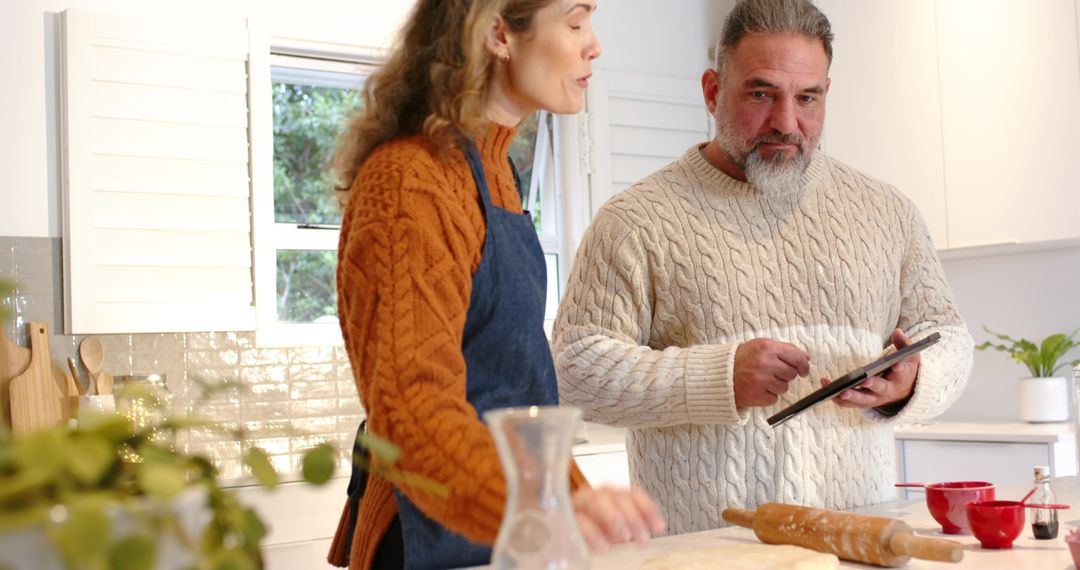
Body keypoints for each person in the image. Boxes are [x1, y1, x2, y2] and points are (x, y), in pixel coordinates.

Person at [551, 0, 974, 536]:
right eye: (760, 94)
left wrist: (913, 379)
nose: (786, 122)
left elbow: (950, 337)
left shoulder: (887, 211)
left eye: (807, 98)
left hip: (859, 542)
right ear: (711, 91)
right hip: (705, 553)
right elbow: (574, 370)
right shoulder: (634, 221)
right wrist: (717, 377)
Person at [327, 1, 665, 569]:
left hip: (506, 535)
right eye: (576, 21)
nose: (595, 45)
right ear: (499, 34)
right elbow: (411, 417)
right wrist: (543, 510)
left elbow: (515, 399)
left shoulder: (498, 175)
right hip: (429, 540)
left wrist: (582, 506)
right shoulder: (410, 183)